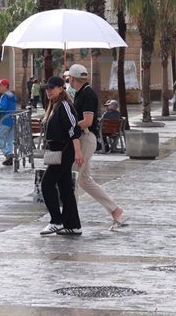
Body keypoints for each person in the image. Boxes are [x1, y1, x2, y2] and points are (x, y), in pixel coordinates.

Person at [66, 63, 126, 229]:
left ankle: (70, 218)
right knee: (84, 180)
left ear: (72, 78)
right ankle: (115, 210)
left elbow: (88, 121)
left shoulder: (87, 95)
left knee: (73, 177)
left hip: (86, 138)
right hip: (86, 138)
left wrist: (68, 126)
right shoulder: (81, 93)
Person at [39, 76, 84, 236]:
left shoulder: (64, 106)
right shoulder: (53, 106)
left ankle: (56, 221)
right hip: (57, 150)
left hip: (65, 150)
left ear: (60, 88)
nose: (48, 91)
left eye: (51, 88)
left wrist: (78, 152)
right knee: (65, 188)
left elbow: (74, 129)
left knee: (47, 184)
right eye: (46, 88)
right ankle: (73, 225)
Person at [0, 79, 17, 166]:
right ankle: (9, 156)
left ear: (5, 86)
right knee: (9, 140)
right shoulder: (12, 96)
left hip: (5, 120)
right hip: (12, 119)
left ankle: (8, 154)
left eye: (0, 85)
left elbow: (2, 108)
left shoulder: (4, 96)